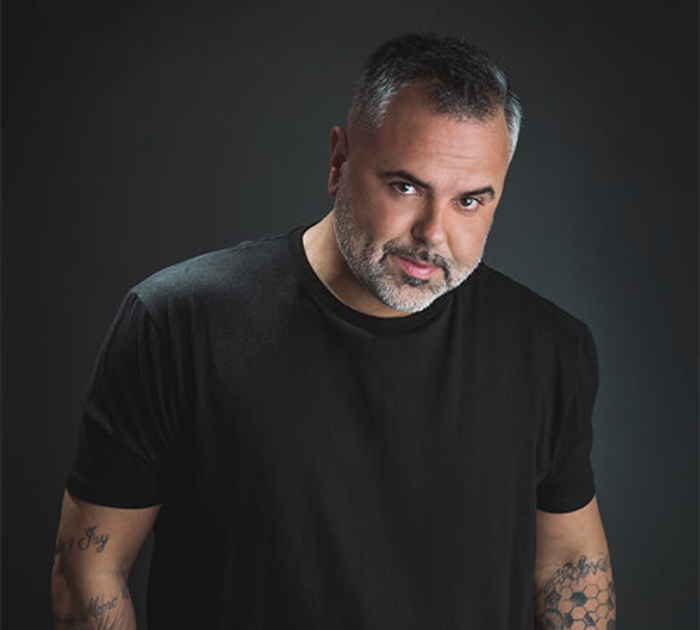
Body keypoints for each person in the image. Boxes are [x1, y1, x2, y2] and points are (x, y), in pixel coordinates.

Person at [52, 32, 615, 629]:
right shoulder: (176, 323)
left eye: (470, 202)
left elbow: (570, 566)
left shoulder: (548, 349)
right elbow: (88, 568)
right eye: (406, 187)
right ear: (339, 161)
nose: (433, 232)